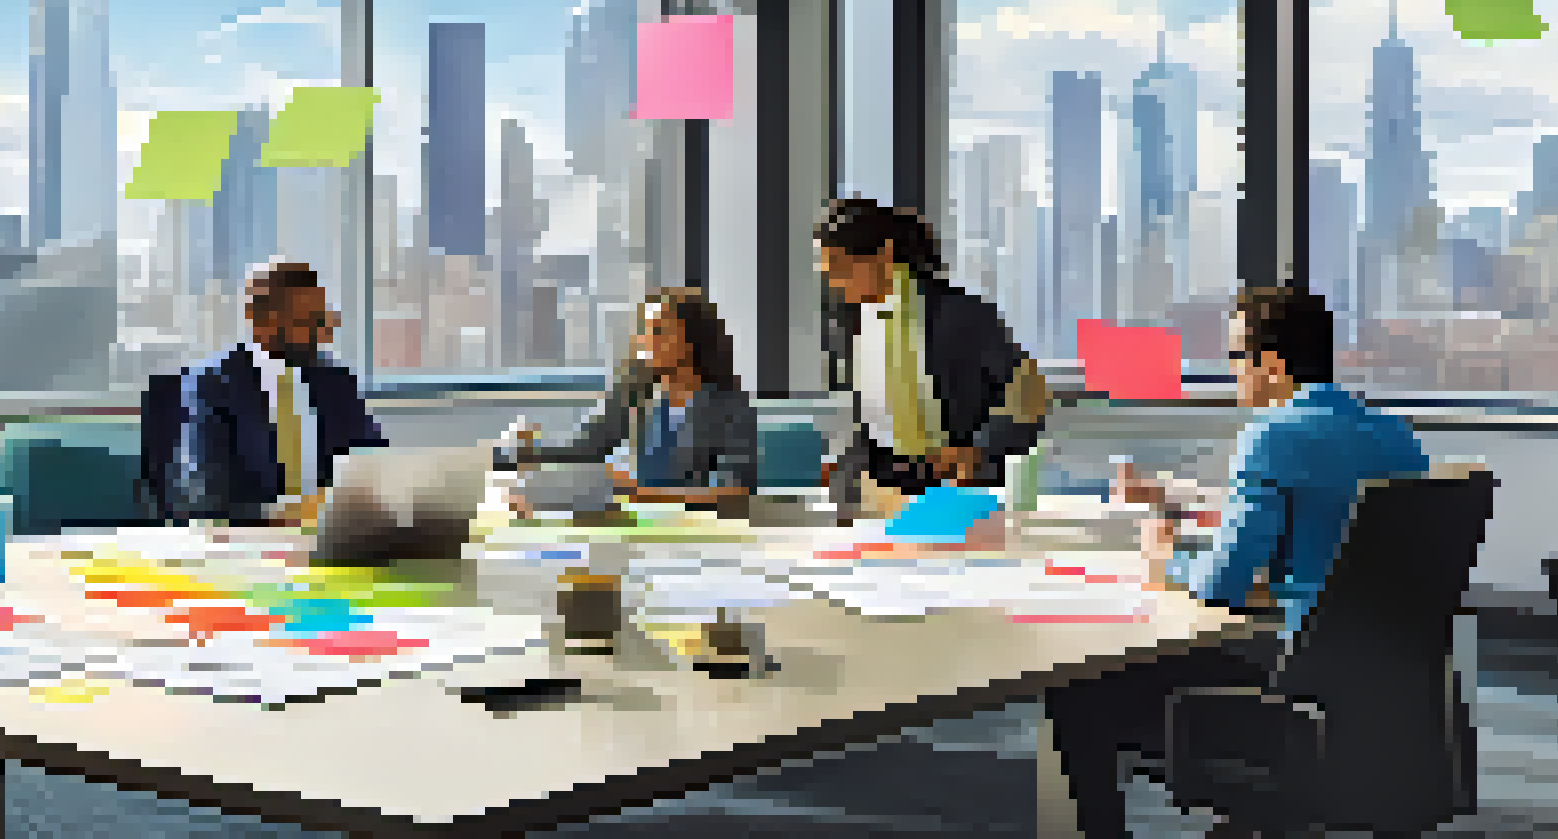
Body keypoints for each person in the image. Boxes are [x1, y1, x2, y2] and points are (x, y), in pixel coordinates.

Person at [1043, 286, 1430, 839]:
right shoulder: (1398, 438)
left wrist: (1165, 557)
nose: (1230, 373)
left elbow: (1223, 585)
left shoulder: (1271, 435)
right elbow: (1327, 524)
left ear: (1270, 364)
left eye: (1234, 357)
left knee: (1081, 684)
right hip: (1375, 687)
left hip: (1293, 689)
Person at [814, 197, 1051, 516]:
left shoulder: (959, 313)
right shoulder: (846, 322)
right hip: (880, 486)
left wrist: (979, 451)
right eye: (827, 271)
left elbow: (1029, 393)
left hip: (957, 487)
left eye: (841, 268)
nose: (833, 282)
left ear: (884, 254)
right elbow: (872, 414)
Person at [138, 261, 385, 526]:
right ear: (260, 323)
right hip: (249, 544)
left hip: (333, 537)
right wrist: (304, 511)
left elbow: (375, 465)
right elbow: (208, 499)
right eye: (309, 323)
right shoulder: (211, 386)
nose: (324, 334)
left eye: (325, 320)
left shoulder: (335, 380)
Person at [505, 286, 757, 511]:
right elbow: (585, 448)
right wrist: (528, 453)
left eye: (658, 331)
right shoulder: (636, 393)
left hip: (700, 530)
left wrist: (639, 493)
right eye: (643, 332)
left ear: (690, 341)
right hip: (643, 525)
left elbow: (734, 492)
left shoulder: (730, 407)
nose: (644, 342)